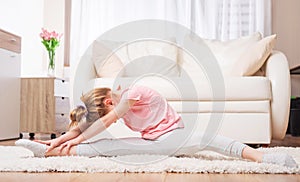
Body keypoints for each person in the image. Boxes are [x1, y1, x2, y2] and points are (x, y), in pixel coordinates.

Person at [16, 85, 298, 168]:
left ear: (106, 100)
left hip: (175, 134)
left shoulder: (132, 94)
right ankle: (48, 153)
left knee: (210, 138)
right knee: (110, 148)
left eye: (103, 110)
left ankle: (263, 157)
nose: (105, 115)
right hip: (154, 141)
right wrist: (57, 140)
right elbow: (81, 127)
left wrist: (79, 138)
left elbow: (108, 120)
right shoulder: (109, 106)